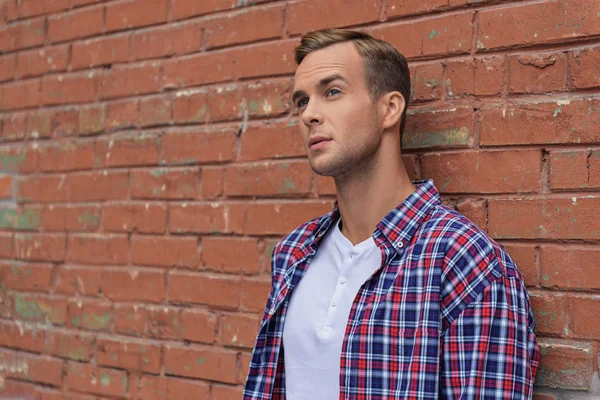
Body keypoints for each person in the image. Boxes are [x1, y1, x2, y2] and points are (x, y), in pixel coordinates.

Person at [243, 29, 540, 400]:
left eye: (331, 92)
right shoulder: (294, 253)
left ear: (389, 109)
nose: (310, 115)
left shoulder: (464, 262)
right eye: (302, 101)